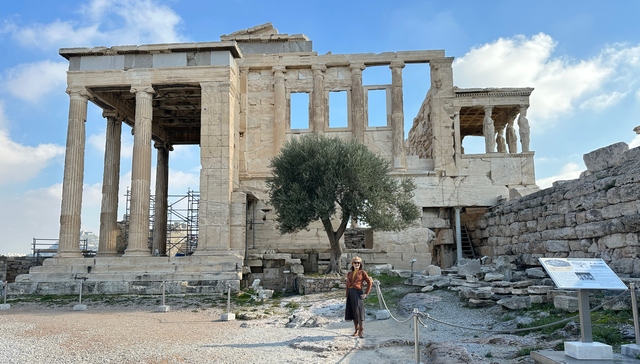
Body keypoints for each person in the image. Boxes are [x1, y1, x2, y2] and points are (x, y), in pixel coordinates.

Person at [344, 256, 373, 338]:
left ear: (360, 264)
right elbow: (347, 285)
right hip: (350, 293)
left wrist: (366, 293)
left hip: (358, 293)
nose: (357, 264)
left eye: (358, 263)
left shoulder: (362, 272)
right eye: (355, 262)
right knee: (353, 312)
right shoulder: (349, 273)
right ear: (352, 264)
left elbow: (369, 282)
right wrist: (347, 295)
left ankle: (361, 330)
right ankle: (356, 329)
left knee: (359, 312)